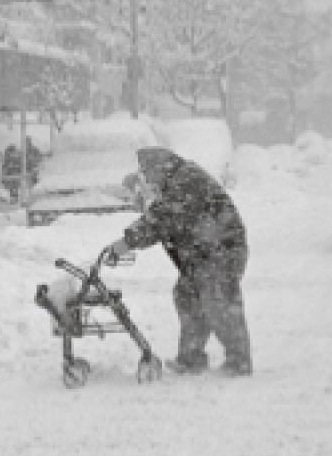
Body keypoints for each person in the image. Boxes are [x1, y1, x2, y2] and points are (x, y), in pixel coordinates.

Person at [103, 146, 252, 376]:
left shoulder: (186, 180)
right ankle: (191, 359)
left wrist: (125, 243)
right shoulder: (177, 179)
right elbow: (164, 215)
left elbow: (160, 219)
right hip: (205, 252)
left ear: (160, 167)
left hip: (222, 251)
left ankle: (238, 361)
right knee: (187, 293)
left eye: (148, 172)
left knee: (217, 299)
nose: (147, 178)